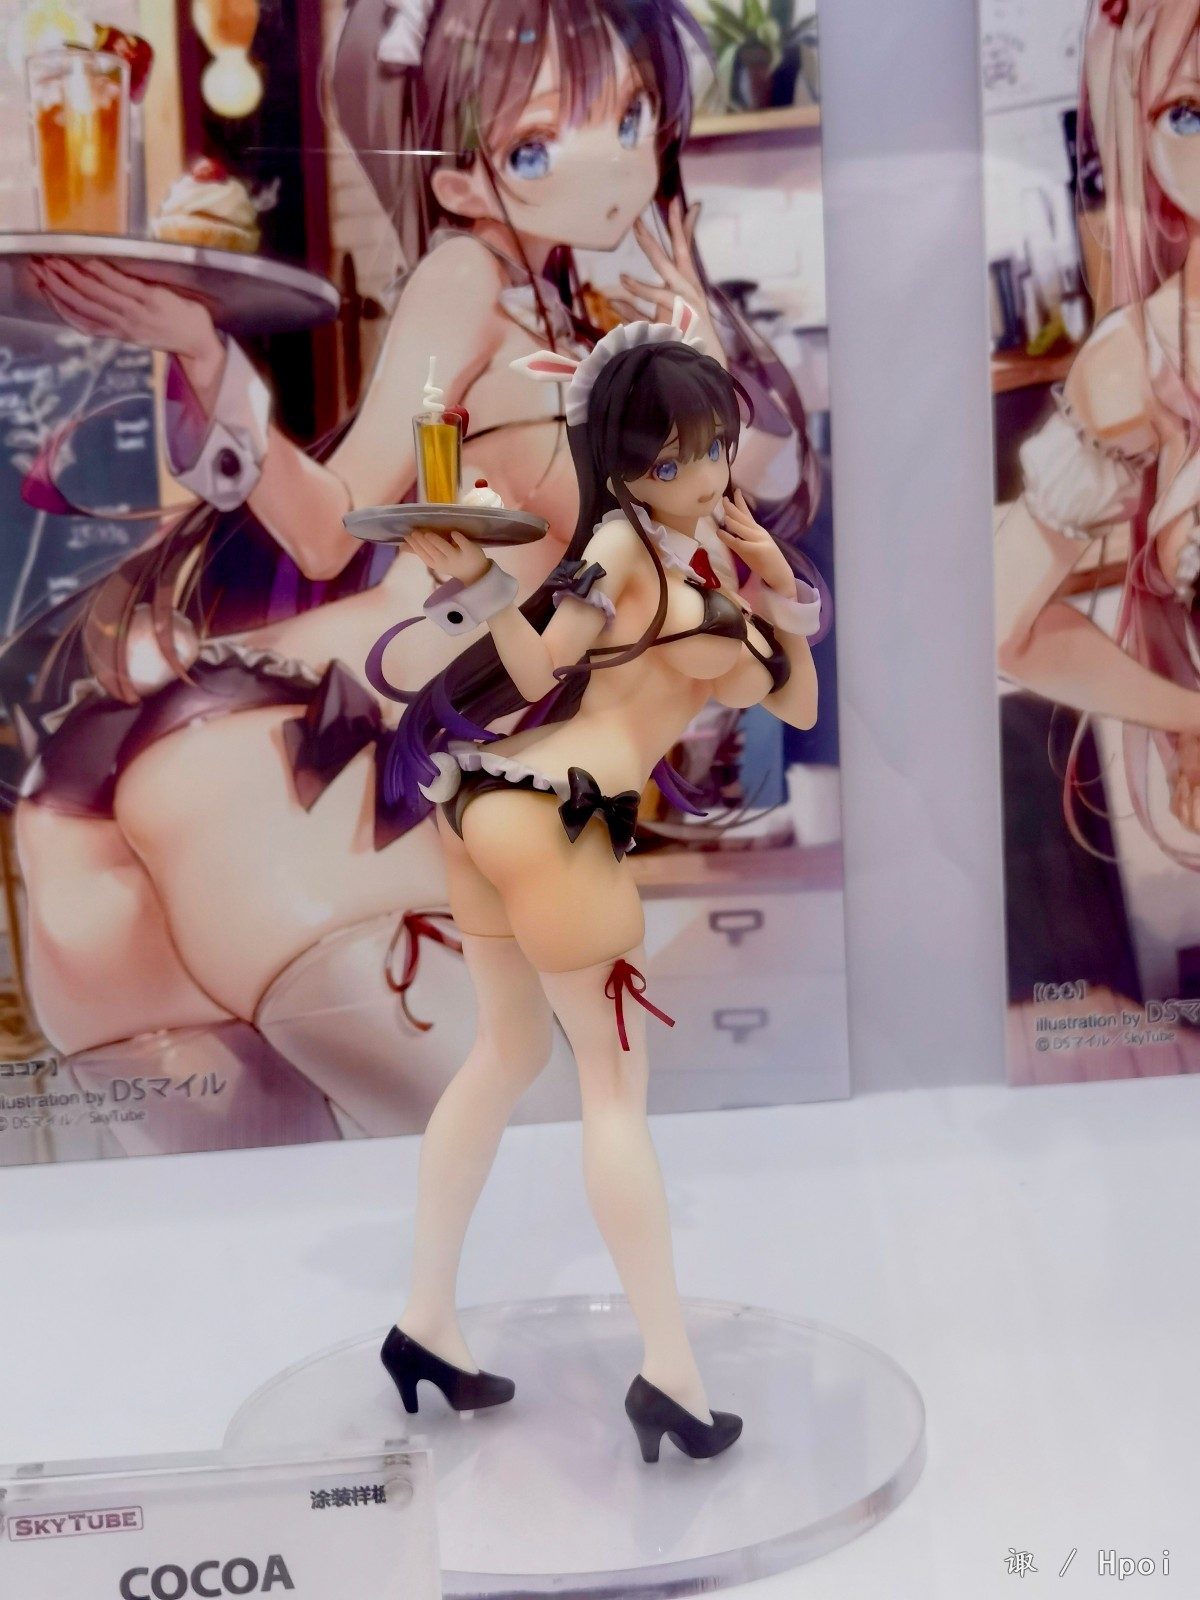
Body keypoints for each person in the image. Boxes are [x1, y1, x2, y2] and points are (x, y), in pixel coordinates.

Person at [373, 302, 820, 1461]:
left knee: (508, 1052)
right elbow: (554, 661)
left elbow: (791, 698)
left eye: (714, 449)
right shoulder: (632, 557)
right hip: (555, 823)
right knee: (613, 1094)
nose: (705, 474)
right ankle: (670, 1374)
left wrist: (774, 576)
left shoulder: (664, 562)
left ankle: (424, 1324)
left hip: (486, 805)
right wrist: (483, 583)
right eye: (672, 459)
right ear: (623, 468)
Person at [997, 0, 1200, 865]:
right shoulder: (1138, 367)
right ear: (1139, 132)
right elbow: (1003, 625)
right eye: (1189, 114)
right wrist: (1190, 718)